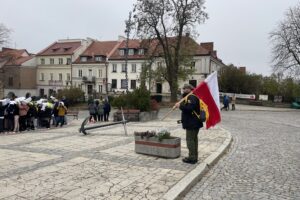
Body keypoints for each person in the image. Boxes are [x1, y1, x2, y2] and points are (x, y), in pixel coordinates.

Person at [174, 84, 203, 164]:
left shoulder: (192, 97)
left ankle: (192, 158)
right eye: (183, 88)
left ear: (190, 89)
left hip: (192, 123)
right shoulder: (189, 97)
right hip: (193, 122)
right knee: (193, 140)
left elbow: (190, 109)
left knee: (190, 140)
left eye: (186, 88)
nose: (184, 90)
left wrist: (180, 106)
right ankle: (194, 156)